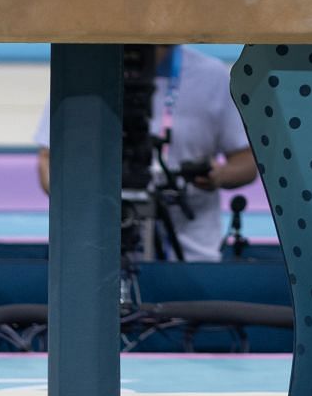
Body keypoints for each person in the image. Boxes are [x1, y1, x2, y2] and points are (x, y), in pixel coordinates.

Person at [32, 45, 256, 261]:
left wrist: (219, 175)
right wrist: (79, 197)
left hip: (190, 253)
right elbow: (48, 161)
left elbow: (247, 161)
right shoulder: (86, 72)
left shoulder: (211, 76)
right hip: (96, 255)